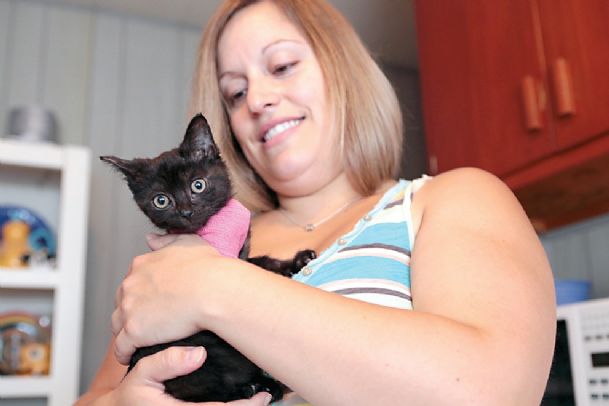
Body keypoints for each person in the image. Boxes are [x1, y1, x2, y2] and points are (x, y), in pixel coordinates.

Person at [76, 0, 556, 405]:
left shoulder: (452, 198)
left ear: (341, 69)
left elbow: (491, 391)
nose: (257, 100)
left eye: (282, 66)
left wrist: (212, 287)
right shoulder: (201, 243)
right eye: (235, 93)